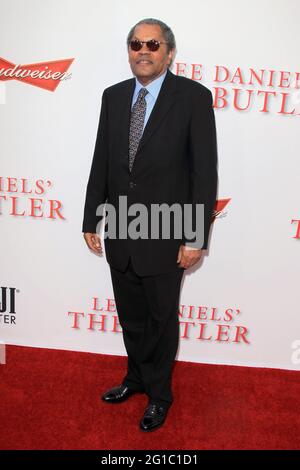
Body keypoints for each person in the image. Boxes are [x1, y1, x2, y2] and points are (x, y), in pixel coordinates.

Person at [82, 18, 218, 432]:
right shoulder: (113, 96)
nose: (143, 51)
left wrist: (195, 236)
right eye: (135, 43)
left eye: (153, 44)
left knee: (161, 319)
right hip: (121, 228)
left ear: (169, 52)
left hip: (167, 230)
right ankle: (136, 379)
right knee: (132, 316)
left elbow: (204, 173)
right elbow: (102, 158)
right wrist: (92, 216)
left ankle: (160, 394)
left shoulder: (193, 97)